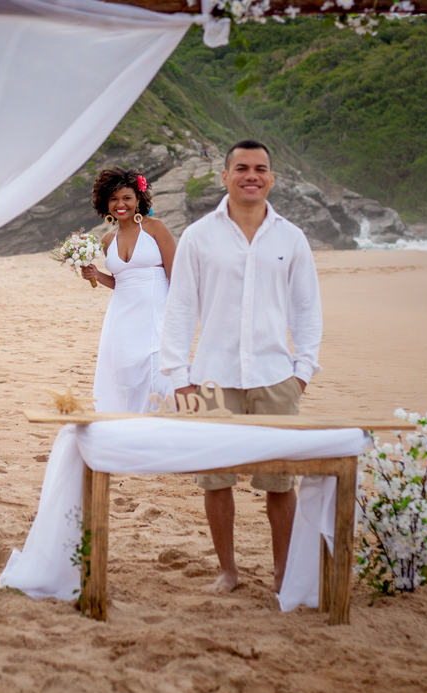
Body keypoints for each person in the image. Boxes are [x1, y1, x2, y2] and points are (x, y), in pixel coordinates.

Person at [160, 140, 323, 595]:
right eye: (242, 168)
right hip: (210, 378)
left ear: (271, 177)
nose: (252, 176)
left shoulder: (290, 238)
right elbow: (179, 308)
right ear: (226, 175)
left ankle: (282, 572)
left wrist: (302, 371)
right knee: (216, 480)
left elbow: (307, 308)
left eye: (261, 169)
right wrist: (179, 377)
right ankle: (227, 572)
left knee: (279, 482)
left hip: (276, 377)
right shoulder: (198, 236)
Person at [81, 168, 177, 413]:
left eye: (126, 198)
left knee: (160, 375)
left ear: (138, 200)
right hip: (122, 317)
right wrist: (95, 275)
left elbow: (175, 274)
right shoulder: (107, 240)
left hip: (156, 313)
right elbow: (120, 281)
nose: (120, 204)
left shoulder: (155, 228)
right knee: (127, 376)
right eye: (113, 199)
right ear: (105, 202)